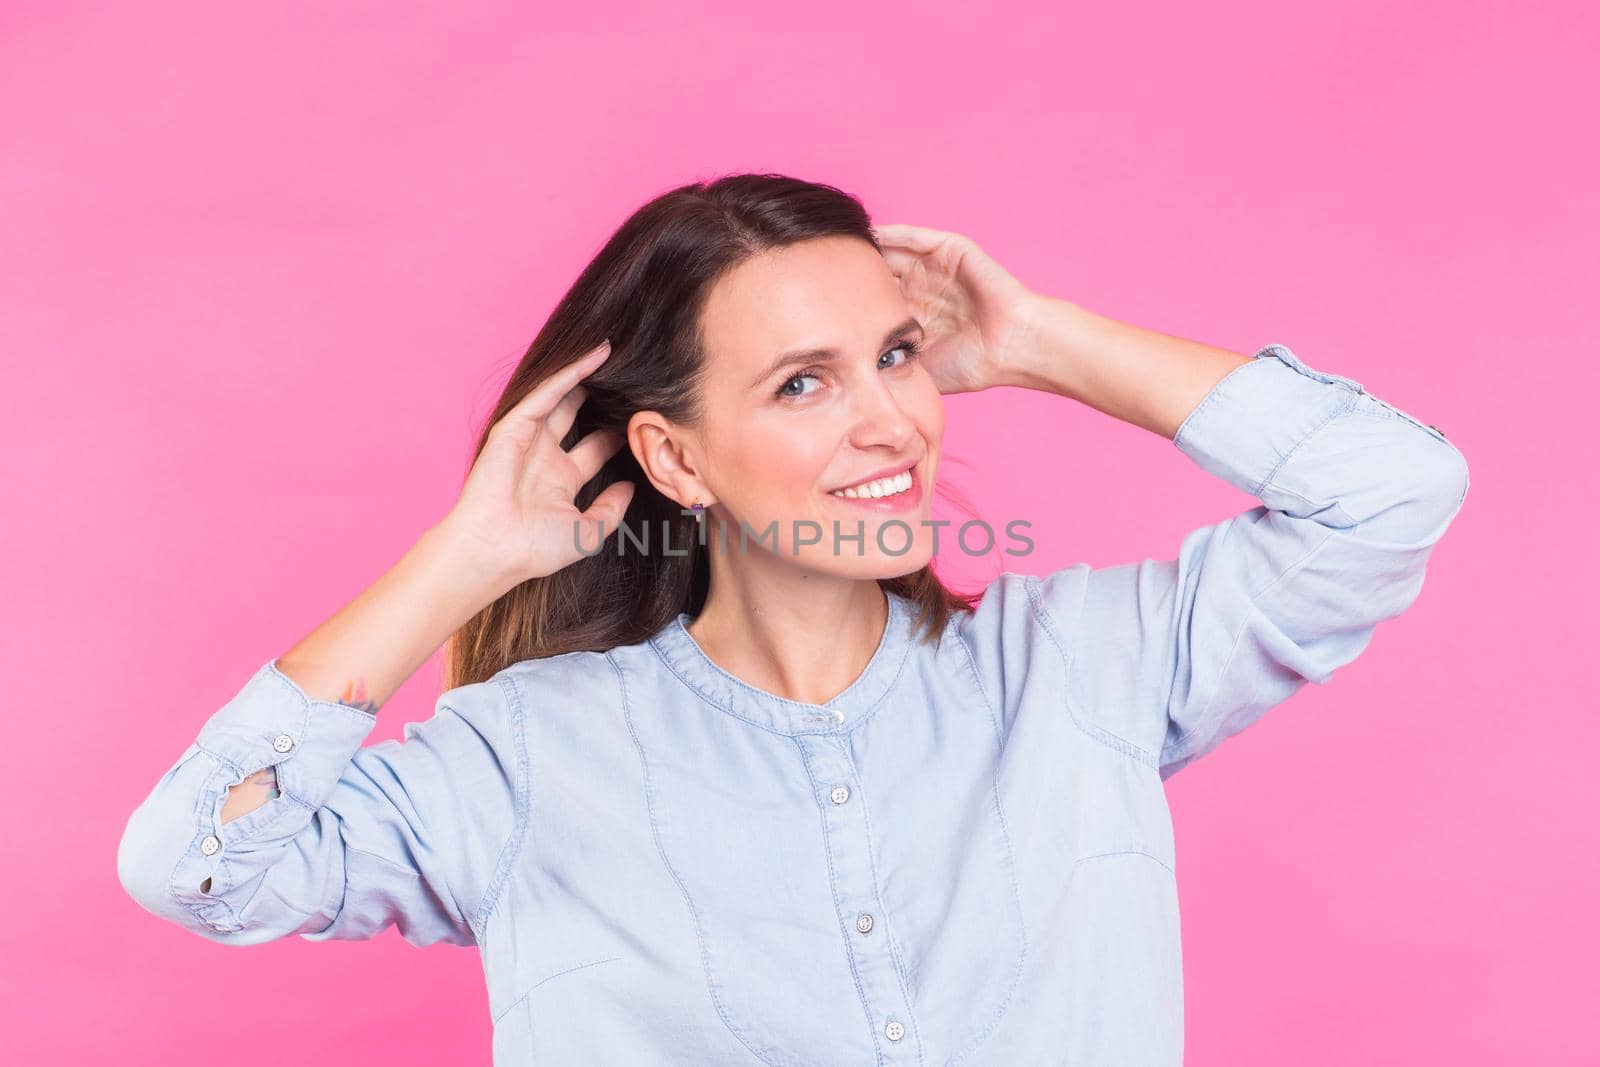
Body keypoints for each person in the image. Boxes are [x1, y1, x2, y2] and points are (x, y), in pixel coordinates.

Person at [116, 174, 1469, 1064]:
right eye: (803, 385)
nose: (892, 419)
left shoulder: (1077, 671)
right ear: (680, 459)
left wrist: (1040, 340)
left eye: (894, 356)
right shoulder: (525, 756)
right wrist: (461, 560)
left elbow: (1394, 493)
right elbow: (196, 868)